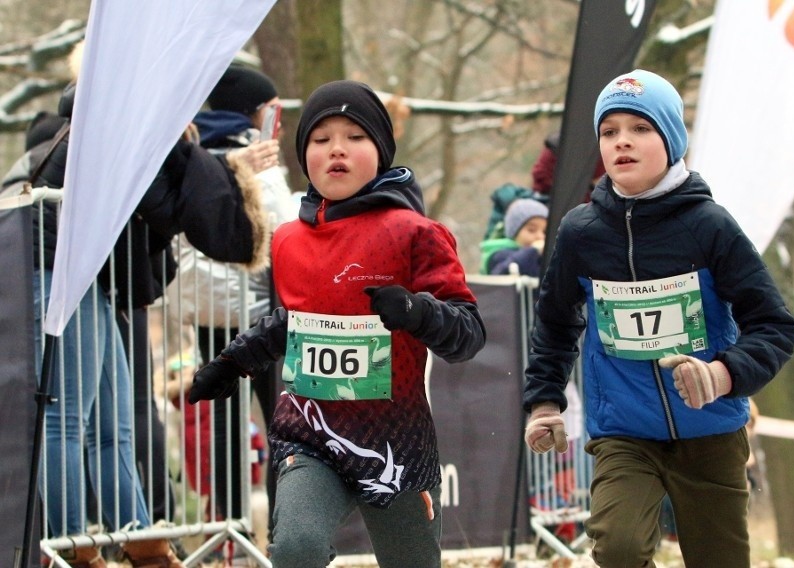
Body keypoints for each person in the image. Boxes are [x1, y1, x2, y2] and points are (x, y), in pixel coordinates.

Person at [187, 79, 487, 568]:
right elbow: (293, 323)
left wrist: (416, 310)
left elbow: (467, 335)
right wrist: (231, 362)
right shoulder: (286, 239)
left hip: (395, 442)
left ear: (382, 149)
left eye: (355, 137)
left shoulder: (415, 233)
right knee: (295, 548)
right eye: (321, 140)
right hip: (310, 433)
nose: (336, 151)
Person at [522, 69, 794, 568]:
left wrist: (722, 374)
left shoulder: (709, 225)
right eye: (609, 132)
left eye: (640, 128)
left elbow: (775, 325)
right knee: (620, 549)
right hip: (625, 432)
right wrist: (545, 402)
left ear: (671, 140)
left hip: (711, 430)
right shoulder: (581, 232)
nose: (622, 141)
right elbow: (556, 324)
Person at [8, 61, 271, 567]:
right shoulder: (116, 131)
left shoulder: (122, 128)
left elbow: (172, 204)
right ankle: (68, 549)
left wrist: (209, 165)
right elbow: (172, 207)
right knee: (68, 419)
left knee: (113, 426)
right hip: (57, 266)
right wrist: (224, 170)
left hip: (90, 272)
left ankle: (143, 543)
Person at [168, 63, 296, 538]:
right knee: (281, 415)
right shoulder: (254, 154)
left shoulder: (192, 151)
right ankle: (286, 529)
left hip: (205, 306)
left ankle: (227, 527)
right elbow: (283, 228)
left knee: (223, 413)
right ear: (259, 112)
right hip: (258, 306)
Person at [480, 197, 548, 276]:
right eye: (531, 230)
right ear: (514, 233)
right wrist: (533, 250)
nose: (540, 236)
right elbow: (503, 271)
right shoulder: (498, 254)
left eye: (545, 232)